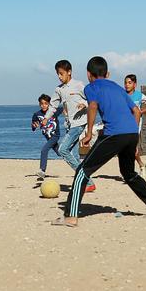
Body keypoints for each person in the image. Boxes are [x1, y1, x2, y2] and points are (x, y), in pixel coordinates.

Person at [55, 56, 146, 227]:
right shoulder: (117, 87)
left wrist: (87, 133)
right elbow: (137, 111)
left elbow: (92, 106)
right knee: (128, 173)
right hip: (131, 133)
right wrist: (134, 135)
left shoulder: (91, 87)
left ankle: (70, 216)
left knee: (82, 172)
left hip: (113, 134)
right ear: (106, 73)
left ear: (88, 74)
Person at [43, 60, 96, 193]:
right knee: (73, 155)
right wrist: (46, 118)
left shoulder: (79, 85)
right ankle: (83, 182)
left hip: (79, 124)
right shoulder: (59, 89)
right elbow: (53, 106)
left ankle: (87, 180)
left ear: (69, 72)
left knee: (62, 150)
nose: (60, 76)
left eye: (61, 73)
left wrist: (84, 103)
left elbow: (92, 100)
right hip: (69, 125)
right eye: (58, 74)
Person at [31, 94, 61, 180]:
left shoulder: (53, 111)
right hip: (47, 137)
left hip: (55, 135)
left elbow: (65, 108)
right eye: (41, 103)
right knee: (61, 153)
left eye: (46, 103)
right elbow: (33, 127)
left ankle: (42, 171)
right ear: (39, 104)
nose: (43, 105)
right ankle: (78, 162)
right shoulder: (37, 114)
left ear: (49, 104)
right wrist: (34, 126)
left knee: (44, 150)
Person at [124, 74, 146, 171]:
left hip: (135, 124)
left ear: (134, 84)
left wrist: (141, 112)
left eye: (129, 83)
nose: (127, 85)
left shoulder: (139, 95)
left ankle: (135, 169)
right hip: (124, 124)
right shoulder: (122, 94)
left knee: (132, 147)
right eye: (126, 83)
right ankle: (141, 165)